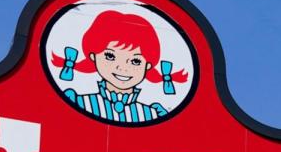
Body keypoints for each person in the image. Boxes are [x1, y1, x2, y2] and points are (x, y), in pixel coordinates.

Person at [51, 10, 188, 123]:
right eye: (110, 56)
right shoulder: (78, 102)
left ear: (148, 65)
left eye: (135, 61)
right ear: (93, 56)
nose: (122, 68)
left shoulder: (153, 114)